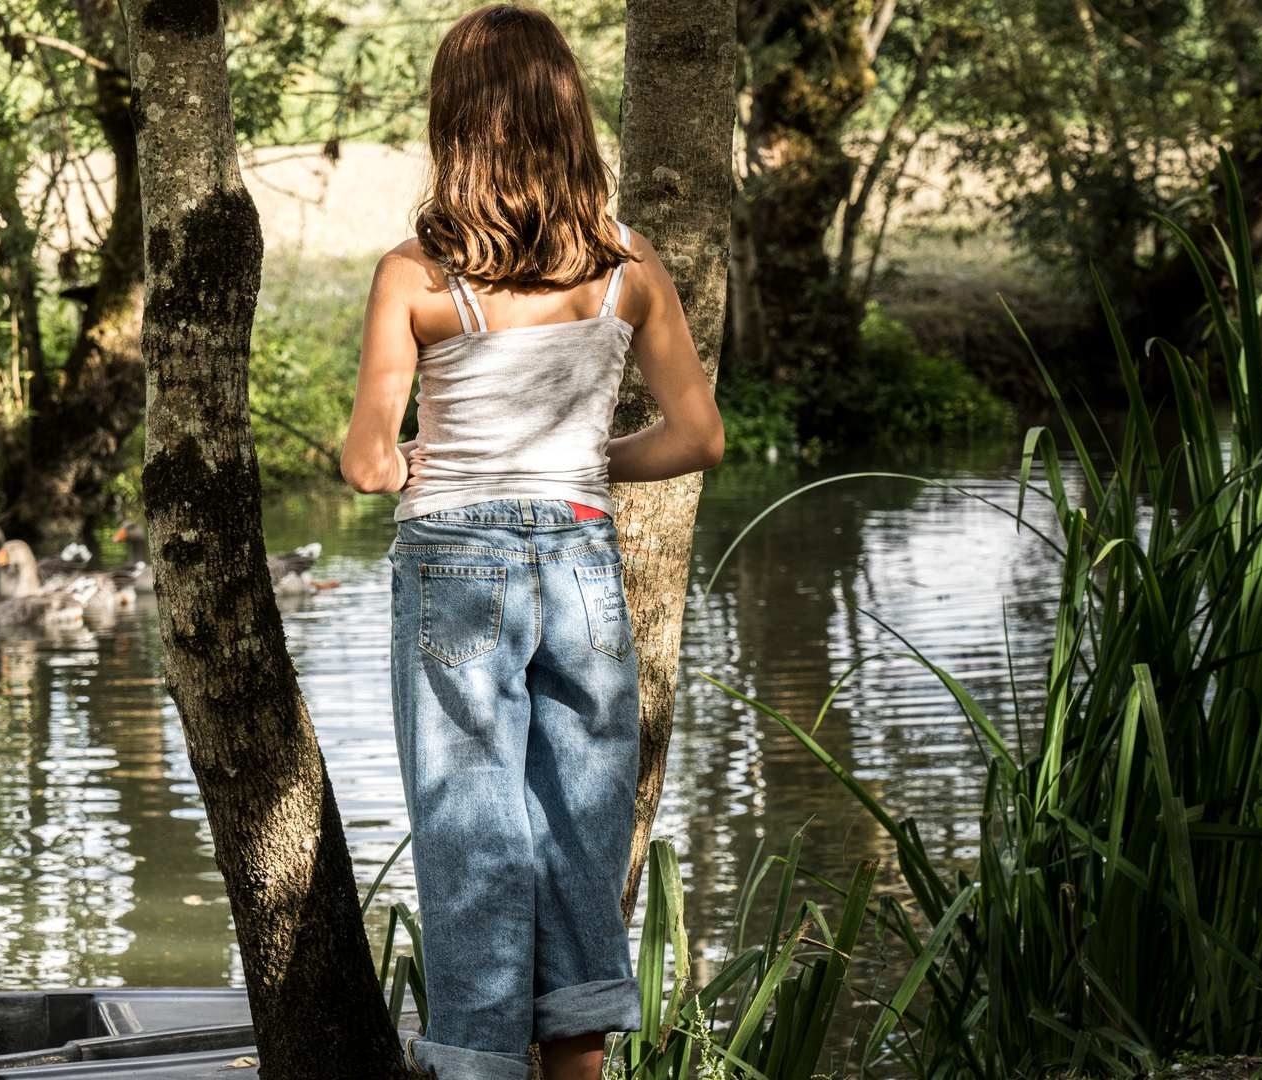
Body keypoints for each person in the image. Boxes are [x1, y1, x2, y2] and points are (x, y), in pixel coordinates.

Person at [338, 5, 724, 1079]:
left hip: (456, 567)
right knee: (577, 838)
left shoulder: (416, 274)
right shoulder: (624, 264)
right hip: (581, 561)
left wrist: (394, 452)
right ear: (569, 116)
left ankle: (473, 1062)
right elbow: (698, 435)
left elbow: (371, 462)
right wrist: (587, 467)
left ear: (453, 122)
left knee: (474, 837)